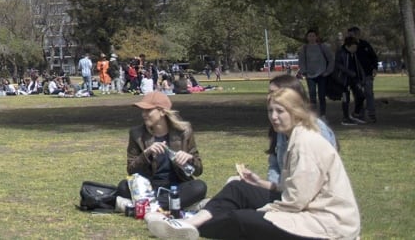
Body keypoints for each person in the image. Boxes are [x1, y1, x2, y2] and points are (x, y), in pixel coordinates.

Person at [148, 87, 359, 240]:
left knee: (241, 219)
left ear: (296, 112)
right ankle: (187, 223)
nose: (274, 117)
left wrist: (264, 210)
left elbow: (297, 201)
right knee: (238, 189)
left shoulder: (306, 143)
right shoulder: (294, 136)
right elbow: (291, 188)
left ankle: (193, 230)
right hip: (305, 206)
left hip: (326, 223)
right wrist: (260, 183)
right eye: (270, 111)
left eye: (280, 111)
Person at [114, 91, 206, 210]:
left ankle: (150, 206)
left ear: (162, 111)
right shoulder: (136, 134)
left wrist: (189, 159)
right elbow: (131, 170)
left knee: (199, 187)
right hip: (149, 187)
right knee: (123, 186)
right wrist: (146, 154)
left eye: (148, 110)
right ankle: (170, 204)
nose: (144, 114)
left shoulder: (184, 132)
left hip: (177, 186)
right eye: (143, 110)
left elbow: (198, 171)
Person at [296, 29, 333, 116]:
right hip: (310, 75)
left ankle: (323, 114)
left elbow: (331, 59)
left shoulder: (322, 47)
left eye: (313, 36)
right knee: (312, 95)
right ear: (307, 37)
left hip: (322, 74)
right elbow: (301, 61)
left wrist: (327, 71)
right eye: (309, 36)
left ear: (316, 37)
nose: (311, 38)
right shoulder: (304, 48)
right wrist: (304, 71)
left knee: (322, 95)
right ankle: (313, 115)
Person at [334, 36, 368, 127]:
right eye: (354, 46)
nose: (356, 48)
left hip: (354, 79)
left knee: (361, 95)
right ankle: (345, 118)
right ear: (349, 46)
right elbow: (338, 65)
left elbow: (359, 66)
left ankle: (355, 114)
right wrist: (348, 72)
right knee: (346, 98)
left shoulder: (354, 54)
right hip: (343, 80)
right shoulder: (341, 53)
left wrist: (362, 76)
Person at [347, 25, 378, 123]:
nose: (352, 37)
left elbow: (373, 57)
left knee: (369, 93)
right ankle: (360, 114)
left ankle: (371, 114)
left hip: (367, 73)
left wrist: (374, 68)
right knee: (358, 95)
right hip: (355, 76)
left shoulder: (365, 45)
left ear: (358, 34)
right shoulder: (347, 47)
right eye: (350, 35)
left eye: (354, 34)